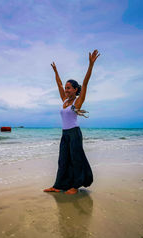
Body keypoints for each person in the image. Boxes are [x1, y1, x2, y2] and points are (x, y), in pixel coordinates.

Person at [44, 49, 100, 195]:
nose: (66, 90)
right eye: (66, 88)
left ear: (75, 90)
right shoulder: (64, 100)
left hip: (75, 133)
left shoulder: (77, 101)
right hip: (65, 134)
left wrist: (91, 65)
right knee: (62, 160)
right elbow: (59, 84)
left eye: (69, 88)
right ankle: (58, 185)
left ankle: (75, 186)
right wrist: (56, 71)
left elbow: (86, 83)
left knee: (76, 160)